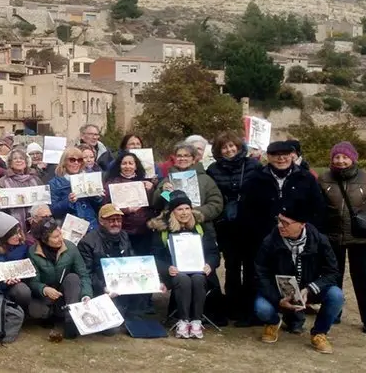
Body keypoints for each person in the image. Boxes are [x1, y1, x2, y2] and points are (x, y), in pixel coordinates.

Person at [239, 140, 325, 325]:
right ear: (268, 157)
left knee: (293, 274)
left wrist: (302, 228)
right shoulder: (255, 178)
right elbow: (245, 209)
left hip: (295, 235)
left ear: (293, 155)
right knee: (257, 274)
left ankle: (294, 316)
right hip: (261, 236)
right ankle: (254, 313)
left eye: (285, 154)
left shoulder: (305, 178)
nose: (281, 158)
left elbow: (317, 208)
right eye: (276, 155)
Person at [255, 198, 343, 354]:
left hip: (310, 289)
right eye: (279, 220)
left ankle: (319, 333)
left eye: (286, 223)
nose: (280, 226)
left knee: (336, 295)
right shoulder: (270, 241)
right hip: (280, 292)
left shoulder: (320, 240)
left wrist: (310, 289)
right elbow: (260, 272)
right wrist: (278, 299)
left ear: (302, 224)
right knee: (261, 307)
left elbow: (333, 272)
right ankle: (273, 322)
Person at [317, 141, 366, 334]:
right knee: (333, 277)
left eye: (345, 157)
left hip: (358, 237)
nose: (341, 161)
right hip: (331, 236)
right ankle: (333, 312)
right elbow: (317, 208)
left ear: (353, 158)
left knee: (362, 278)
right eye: (337, 157)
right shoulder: (324, 179)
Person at [206, 131, 261, 322]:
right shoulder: (213, 169)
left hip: (250, 224)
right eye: (224, 147)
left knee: (252, 268)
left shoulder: (253, 165)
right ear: (219, 150)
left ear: (239, 147)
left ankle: (250, 309)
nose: (229, 150)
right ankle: (233, 306)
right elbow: (212, 194)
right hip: (227, 225)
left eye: (232, 146)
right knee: (232, 267)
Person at [149, 192, 220, 339]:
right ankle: (183, 320)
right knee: (183, 279)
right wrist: (166, 267)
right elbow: (155, 256)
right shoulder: (163, 230)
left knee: (198, 279)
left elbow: (214, 253)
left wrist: (209, 265)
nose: (184, 212)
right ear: (173, 211)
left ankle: (196, 321)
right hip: (174, 273)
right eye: (180, 209)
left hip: (200, 271)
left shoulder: (201, 228)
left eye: (187, 208)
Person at [78, 204, 147, 325]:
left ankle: (134, 316)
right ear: (101, 221)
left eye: (119, 220)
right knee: (111, 328)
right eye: (112, 220)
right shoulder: (87, 242)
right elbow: (87, 273)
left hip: (125, 282)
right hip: (102, 286)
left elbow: (132, 260)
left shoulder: (124, 236)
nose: (116, 223)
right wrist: (103, 287)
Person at [26, 217, 94, 339]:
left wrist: (86, 294)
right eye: (55, 237)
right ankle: (49, 316)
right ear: (44, 240)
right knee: (36, 311)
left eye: (60, 234)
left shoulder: (70, 247)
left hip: (65, 293)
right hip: (46, 296)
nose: (60, 239)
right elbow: (32, 281)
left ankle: (71, 320)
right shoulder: (32, 252)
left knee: (73, 278)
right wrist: (44, 289)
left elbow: (83, 274)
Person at [156, 141, 224, 223]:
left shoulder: (205, 179)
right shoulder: (167, 179)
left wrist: (195, 213)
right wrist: (161, 191)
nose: (182, 158)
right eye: (179, 156)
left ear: (193, 159)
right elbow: (156, 205)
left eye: (186, 156)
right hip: (173, 226)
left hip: (202, 226)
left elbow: (216, 204)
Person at [104, 151, 156, 256]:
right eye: (124, 163)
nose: (127, 166)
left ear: (136, 166)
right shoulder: (111, 184)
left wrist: (152, 189)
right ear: (119, 166)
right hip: (121, 230)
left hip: (143, 230)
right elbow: (105, 207)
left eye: (131, 163)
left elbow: (154, 205)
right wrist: (126, 210)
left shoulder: (145, 183)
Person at [0, 148, 44, 229]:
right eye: (15, 158)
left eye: (21, 158)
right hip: (13, 226)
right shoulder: (2, 182)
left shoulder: (36, 180)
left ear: (26, 161)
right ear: (10, 163)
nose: (18, 160)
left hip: (35, 224)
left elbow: (43, 202)